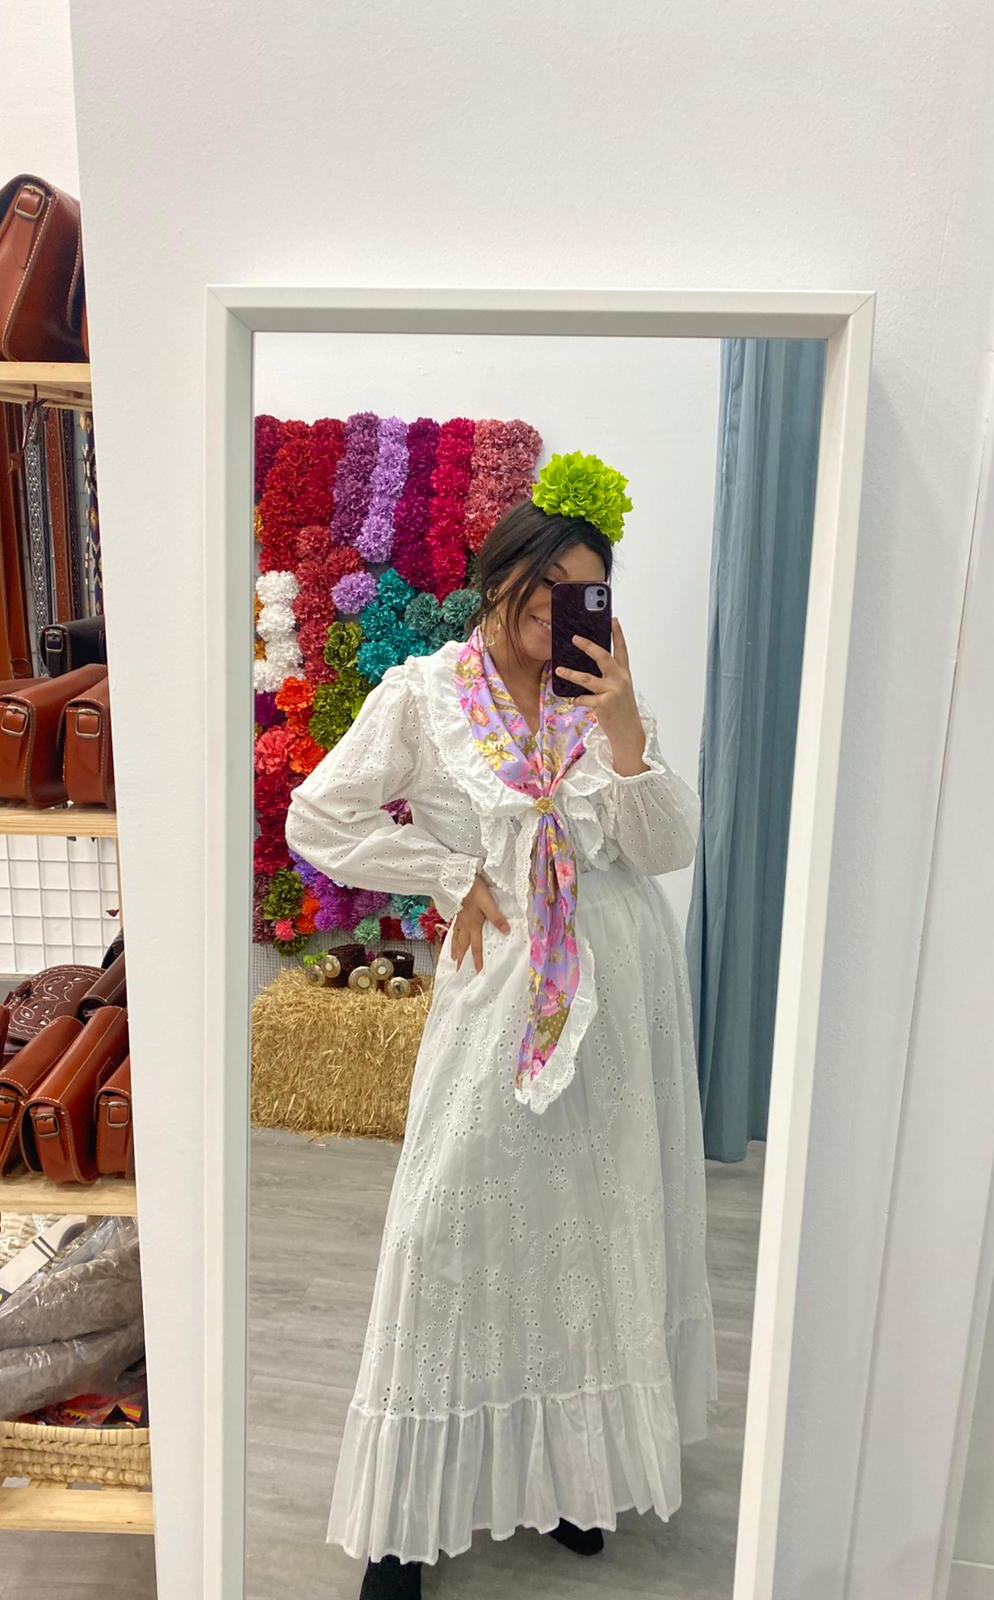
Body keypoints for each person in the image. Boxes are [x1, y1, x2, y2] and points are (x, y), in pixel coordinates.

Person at [285, 453, 716, 1600]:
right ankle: (400, 1526)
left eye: (582, 591)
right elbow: (319, 815)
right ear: (499, 576)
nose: (556, 609)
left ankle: (571, 1472)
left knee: (589, 1229)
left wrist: (624, 725)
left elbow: (666, 846)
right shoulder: (425, 695)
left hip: (622, 994)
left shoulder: (600, 691)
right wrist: (446, 871)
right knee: (445, 1229)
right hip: (500, 992)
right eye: (542, 585)